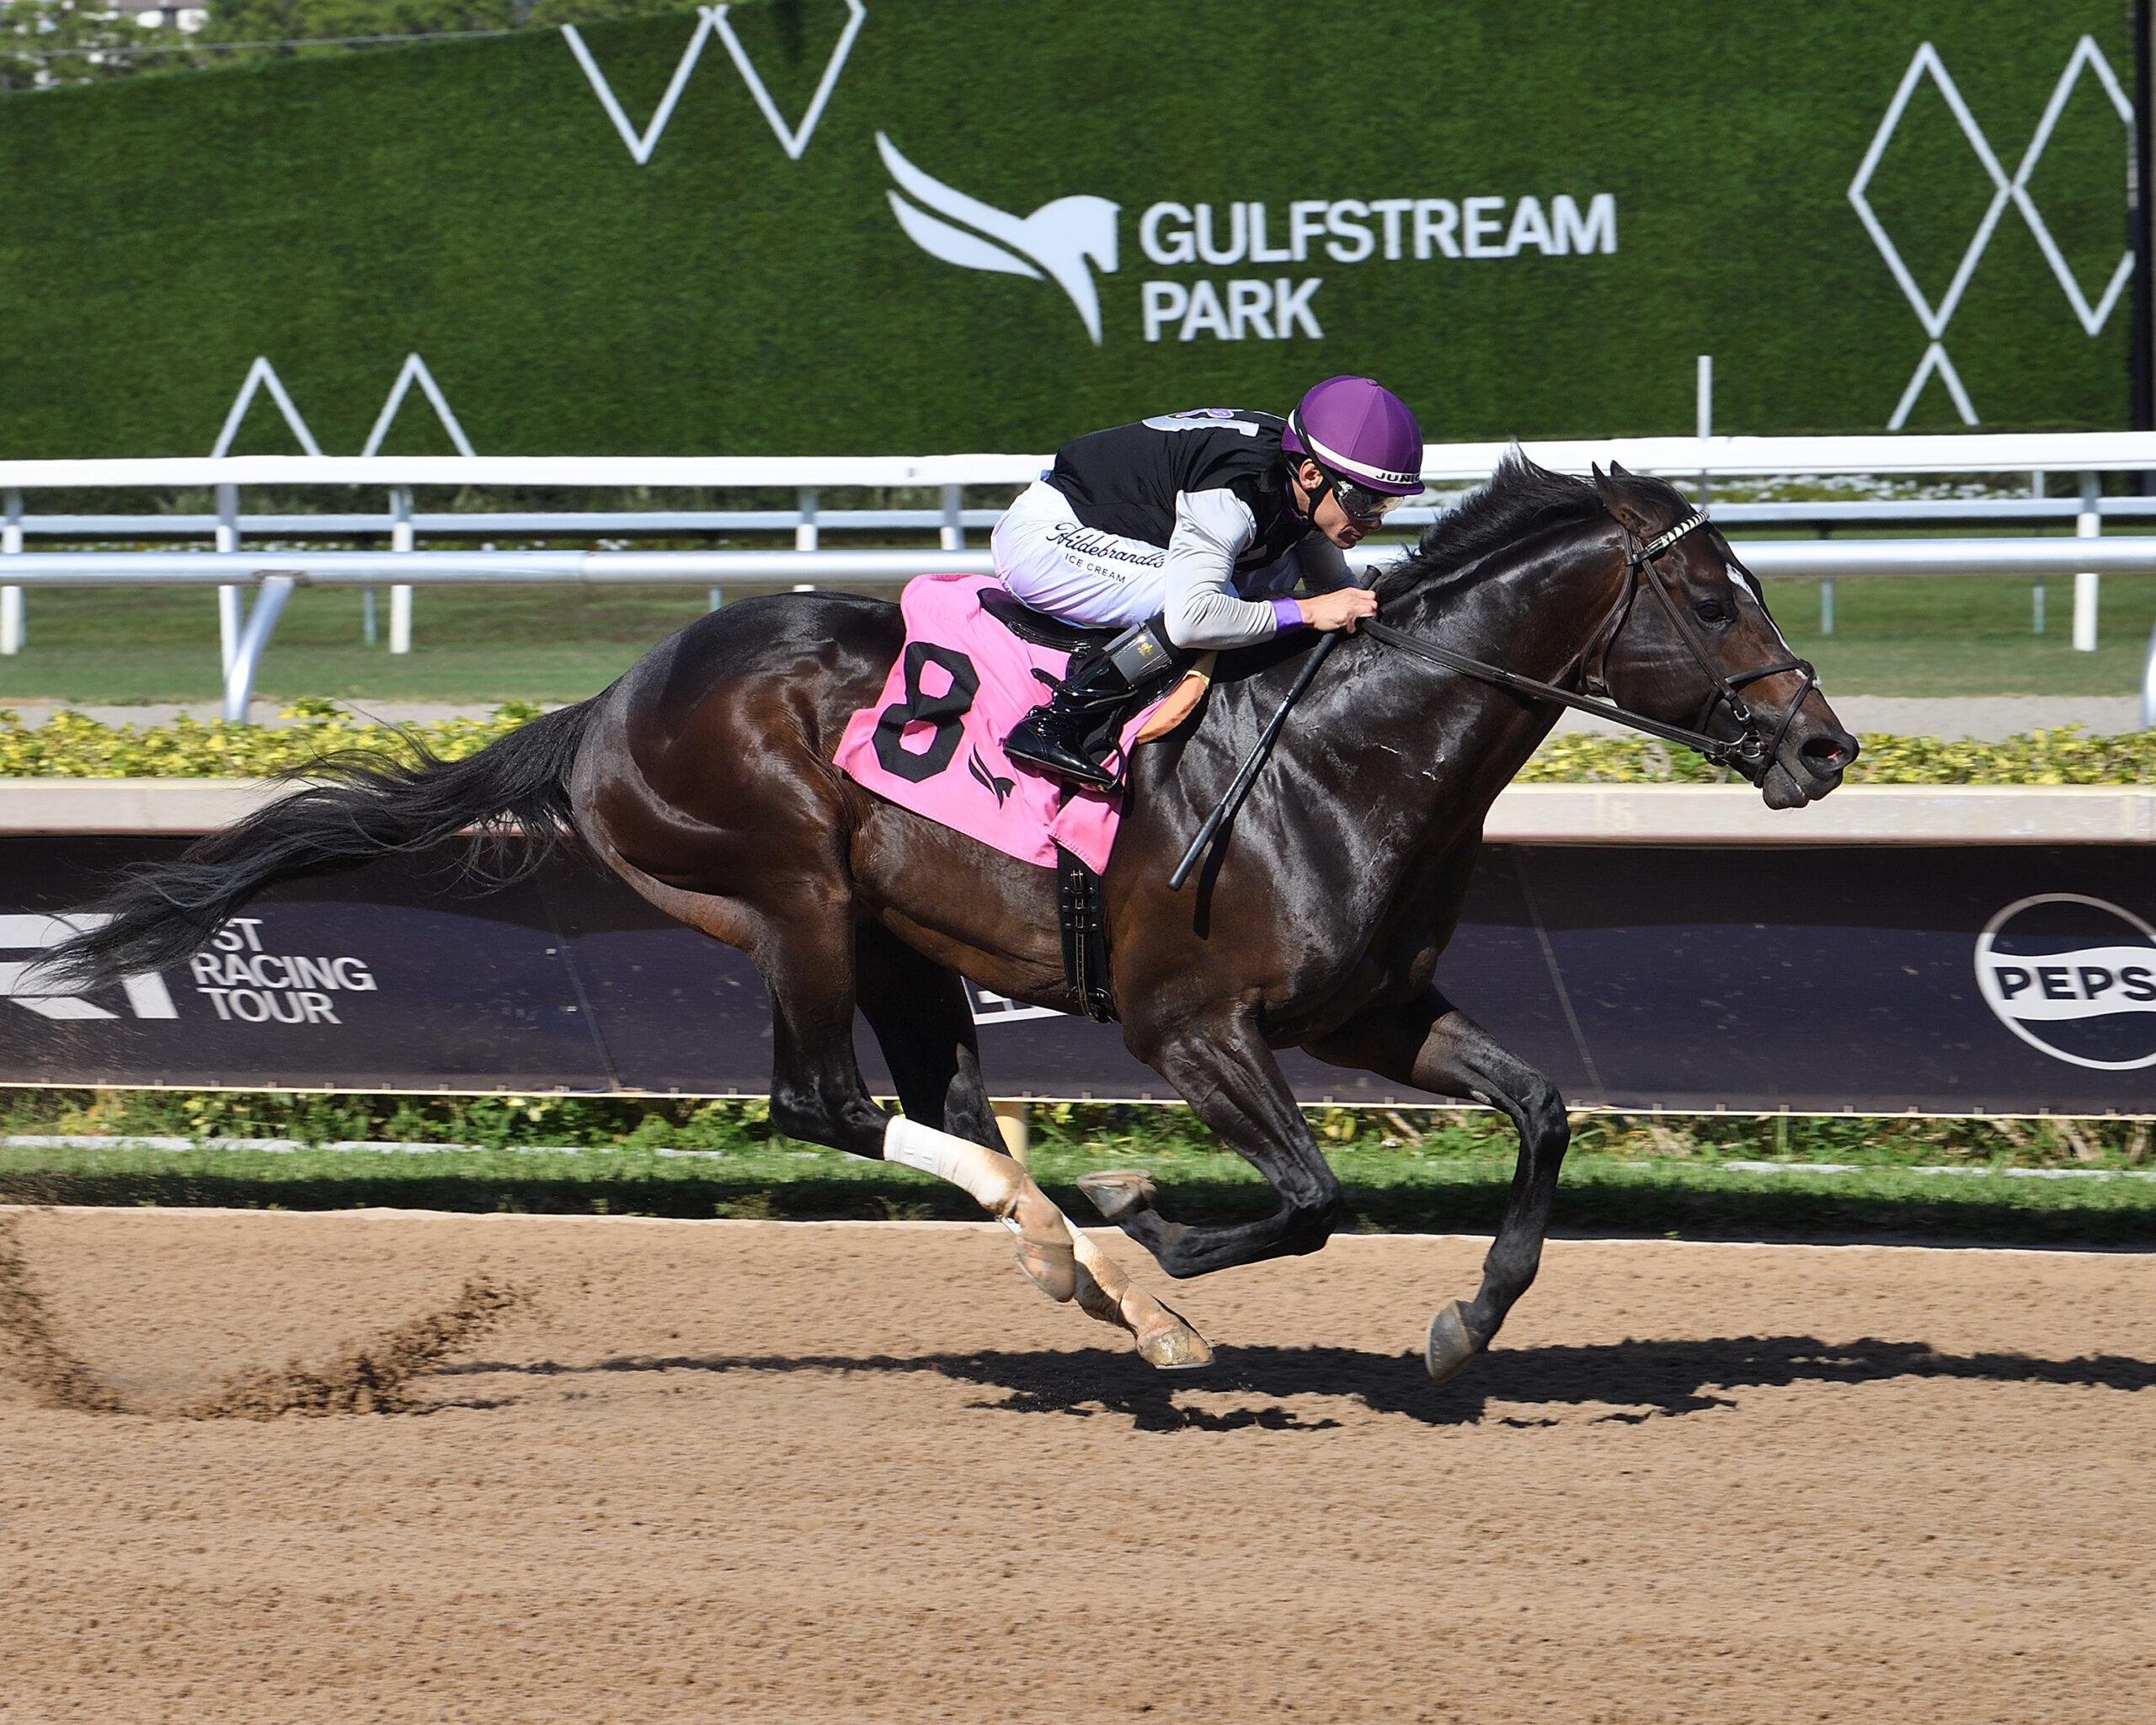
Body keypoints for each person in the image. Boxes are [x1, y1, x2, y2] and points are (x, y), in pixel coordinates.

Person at [993, 376, 1424, 788]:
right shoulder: (1234, 489)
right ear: (1311, 474)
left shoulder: (1303, 482)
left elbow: (1338, 592)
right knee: (1216, 605)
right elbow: (1193, 619)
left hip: (1123, 527)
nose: (1373, 522)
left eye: (1387, 504)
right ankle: (1055, 721)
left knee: (1275, 585)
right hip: (1047, 537)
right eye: (1364, 501)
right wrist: (1310, 613)